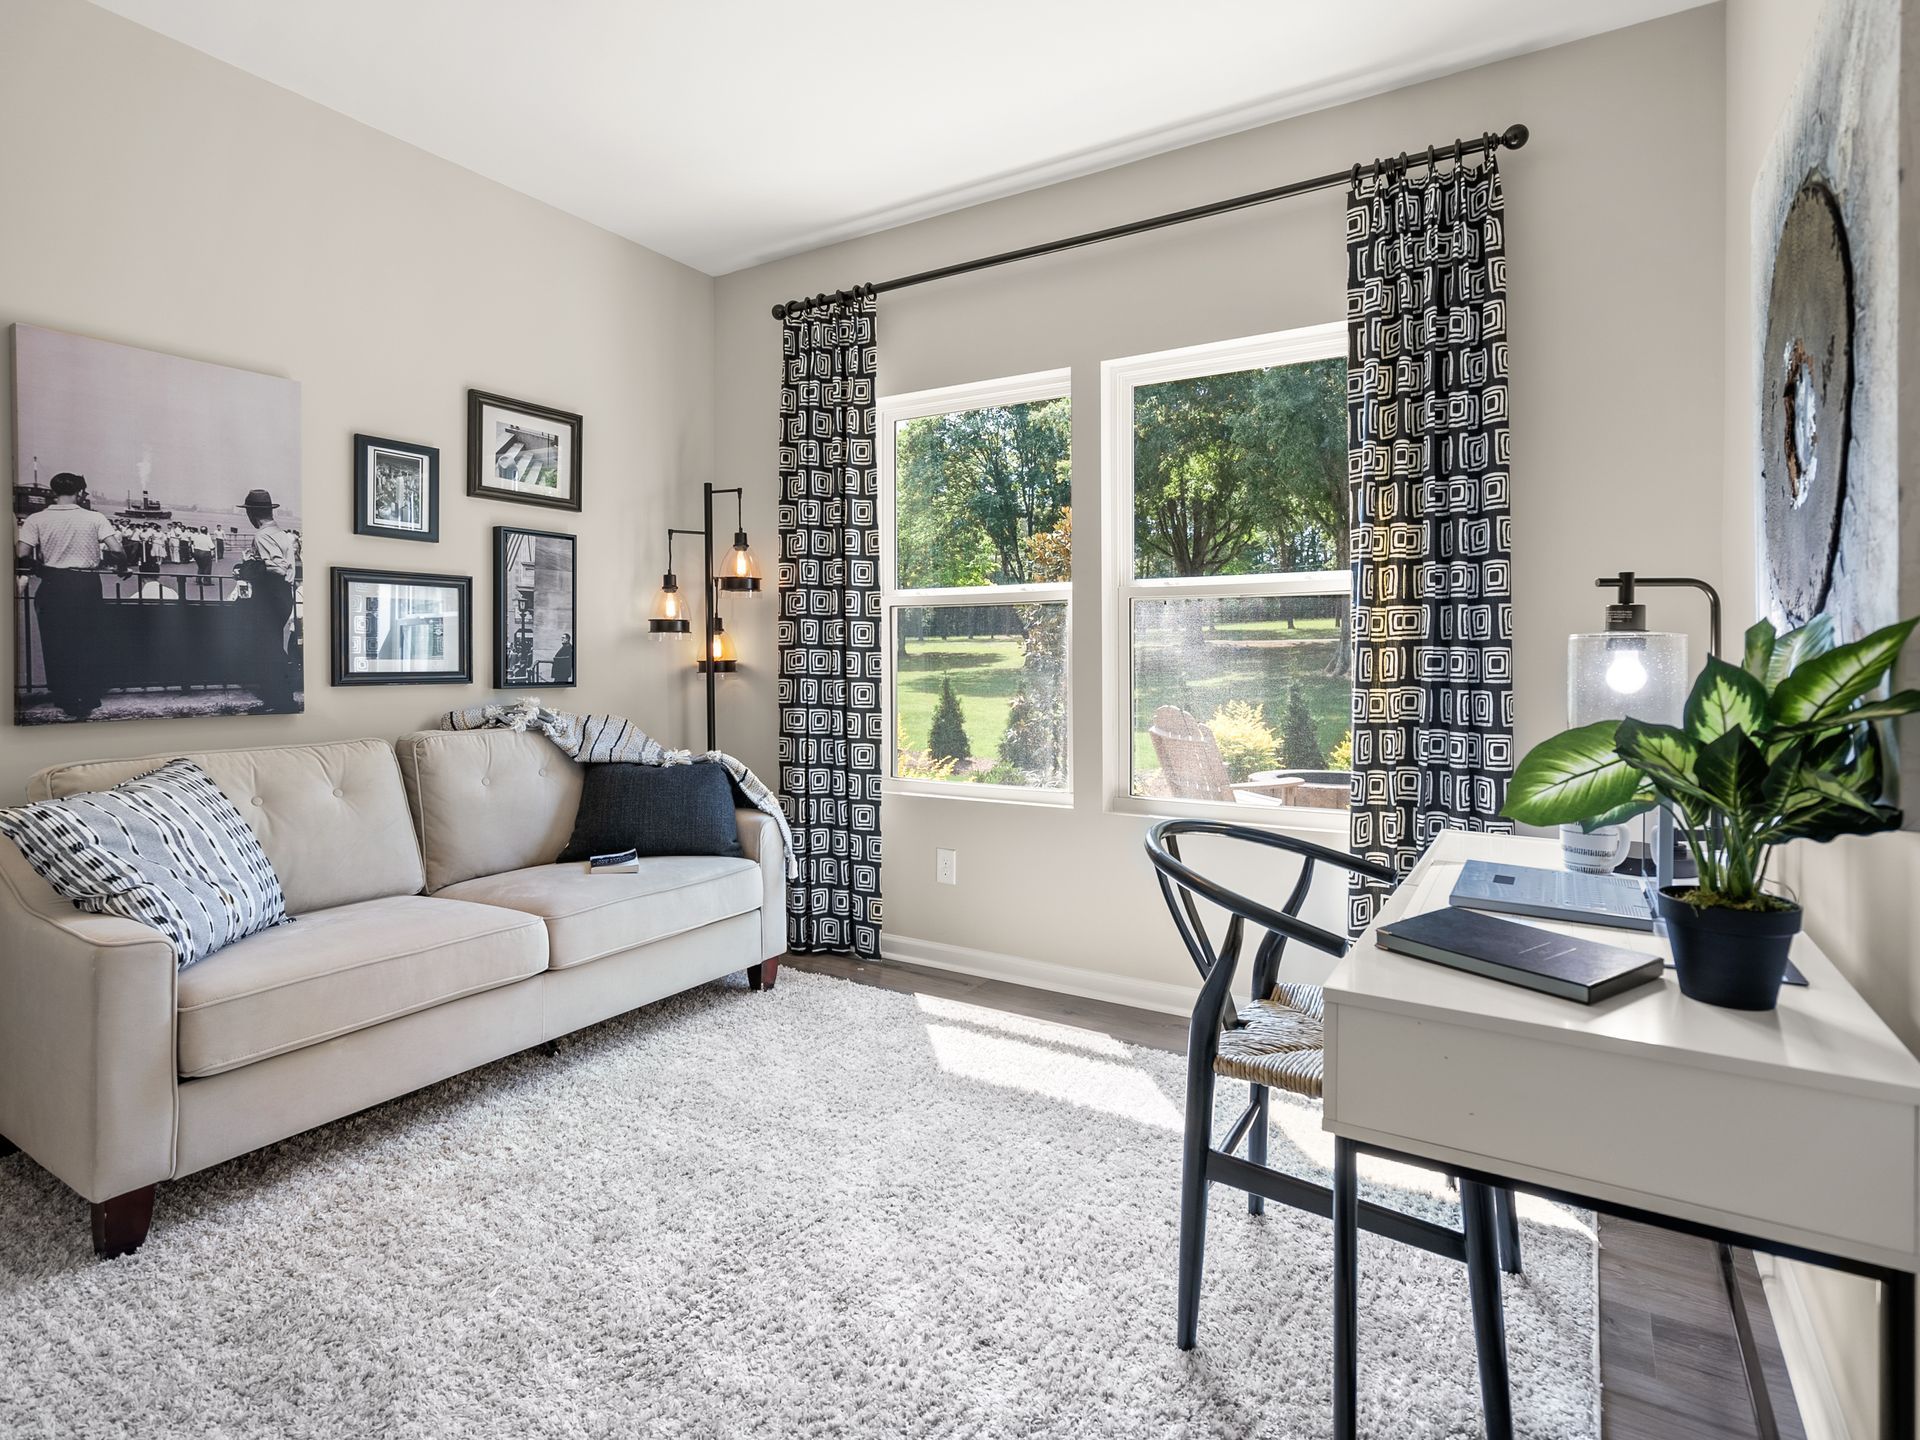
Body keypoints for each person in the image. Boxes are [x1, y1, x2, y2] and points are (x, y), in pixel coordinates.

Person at [14, 472, 121, 719]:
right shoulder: (94, 517)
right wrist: (122, 566)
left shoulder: (36, 518)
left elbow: (21, 552)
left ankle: (64, 695)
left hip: (53, 584)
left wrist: (41, 568)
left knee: (56, 641)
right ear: (81, 493)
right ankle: (89, 694)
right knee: (89, 639)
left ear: (53, 492)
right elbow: (116, 549)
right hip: (86, 584)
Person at [236, 488, 300, 713]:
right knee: (273, 645)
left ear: (252, 513)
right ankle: (282, 696)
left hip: (270, 597)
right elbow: (288, 567)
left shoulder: (262, 536)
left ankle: (280, 701)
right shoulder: (282, 534)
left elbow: (277, 567)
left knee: (268, 648)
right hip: (283, 596)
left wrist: (248, 567)